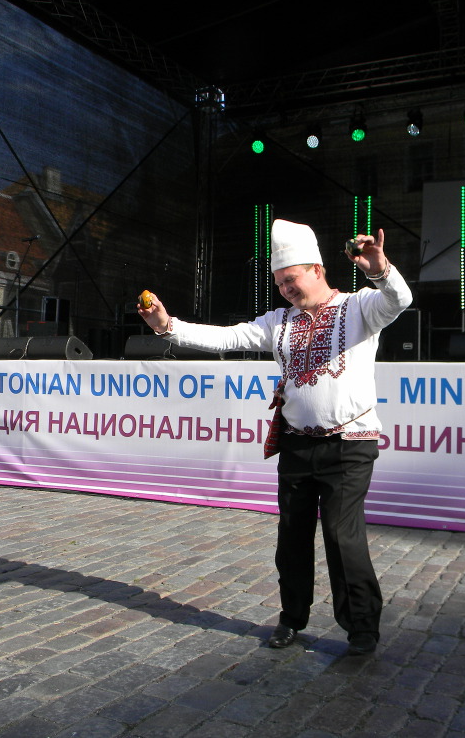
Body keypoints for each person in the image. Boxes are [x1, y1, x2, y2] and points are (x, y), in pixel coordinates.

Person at [137, 218, 413, 656]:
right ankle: (291, 617)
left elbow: (400, 299)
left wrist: (380, 271)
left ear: (317, 270)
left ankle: (361, 627)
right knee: (292, 536)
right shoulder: (279, 321)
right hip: (297, 443)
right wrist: (168, 325)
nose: (285, 289)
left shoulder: (360, 307)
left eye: (291, 279)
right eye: (280, 283)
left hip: (350, 443)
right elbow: (227, 338)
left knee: (342, 536)